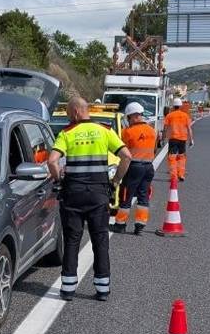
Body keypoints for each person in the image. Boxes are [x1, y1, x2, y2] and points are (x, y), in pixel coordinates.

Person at [48, 97, 132, 302]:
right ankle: (102, 289)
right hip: (98, 194)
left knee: (72, 240)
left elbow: (52, 161)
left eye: (69, 113)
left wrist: (59, 179)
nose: (69, 116)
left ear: (76, 112)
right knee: (100, 240)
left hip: (73, 195)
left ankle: (68, 289)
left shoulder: (67, 133)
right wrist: (115, 181)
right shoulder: (104, 131)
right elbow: (127, 156)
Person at [112, 102, 157, 235]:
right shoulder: (152, 131)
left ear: (132, 116)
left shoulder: (127, 132)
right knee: (143, 196)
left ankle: (120, 224)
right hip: (149, 167)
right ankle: (140, 225)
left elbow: (122, 151)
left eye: (128, 118)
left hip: (134, 167)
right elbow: (154, 149)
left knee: (126, 195)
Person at [163, 97, 194, 181]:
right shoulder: (185, 115)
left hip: (173, 139)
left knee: (172, 157)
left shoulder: (169, 115)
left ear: (173, 106)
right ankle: (181, 174)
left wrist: (163, 137)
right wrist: (191, 140)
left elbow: (165, 128)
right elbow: (189, 128)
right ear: (180, 106)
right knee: (182, 157)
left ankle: (174, 176)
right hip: (183, 139)